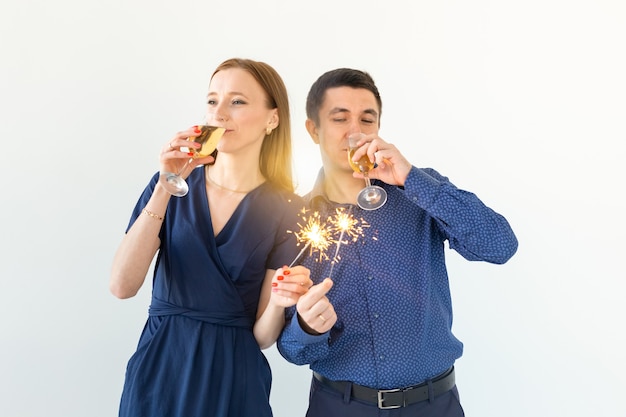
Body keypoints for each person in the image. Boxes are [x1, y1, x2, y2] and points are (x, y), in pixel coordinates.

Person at [277, 68, 518, 417]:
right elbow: (293, 351)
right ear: (313, 129)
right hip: (339, 407)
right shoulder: (294, 220)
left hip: (434, 406)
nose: (355, 132)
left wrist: (410, 178)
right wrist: (308, 328)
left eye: (367, 119)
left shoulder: (420, 192)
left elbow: (499, 245)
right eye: (339, 118)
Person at [110, 58, 312, 417]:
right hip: (159, 372)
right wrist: (165, 185)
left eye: (237, 101)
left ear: (272, 118)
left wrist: (281, 303)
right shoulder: (169, 187)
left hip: (233, 380)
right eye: (211, 100)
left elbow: (262, 337)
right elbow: (122, 286)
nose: (219, 113)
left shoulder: (288, 209)